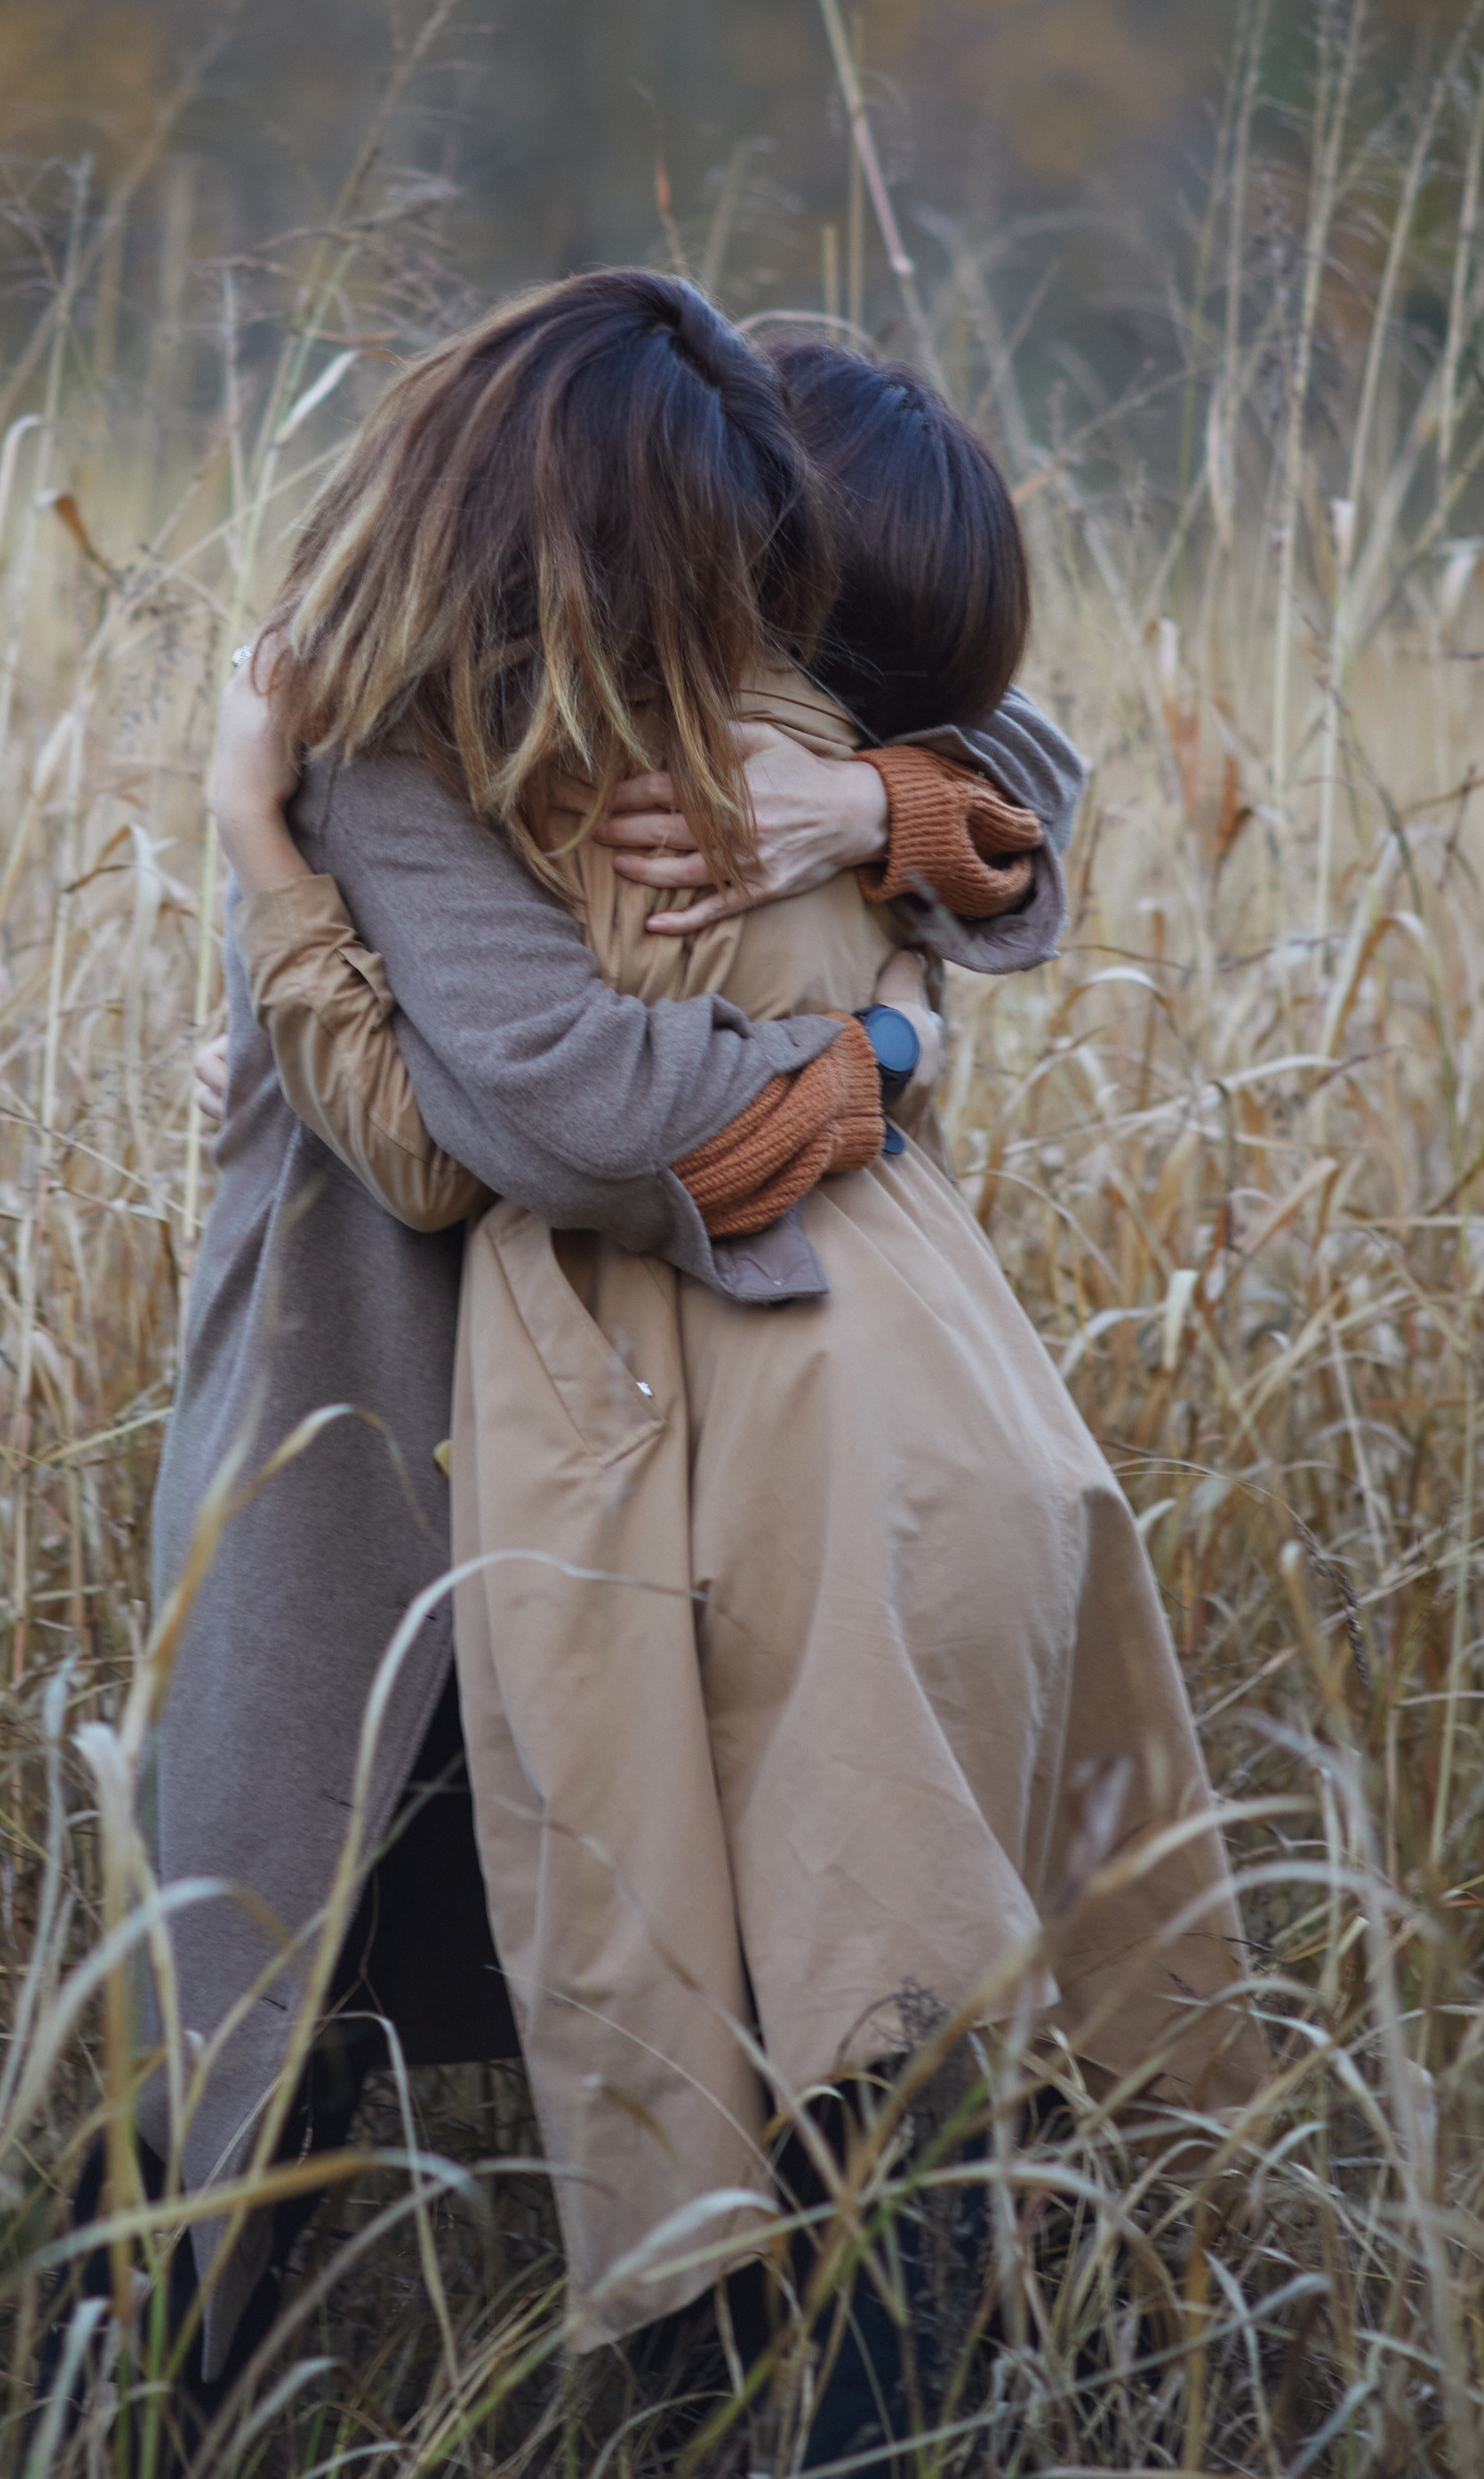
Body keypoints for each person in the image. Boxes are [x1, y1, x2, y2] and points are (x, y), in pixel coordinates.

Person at [208, 311, 1263, 2449]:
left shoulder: (750, 754)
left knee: (802, 1968)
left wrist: (873, 800)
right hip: (858, 1437)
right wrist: (873, 1039)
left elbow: (507, 1122)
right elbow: (558, 1116)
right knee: (864, 1972)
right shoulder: (464, 753)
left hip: (754, 1448)